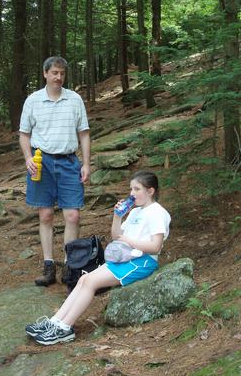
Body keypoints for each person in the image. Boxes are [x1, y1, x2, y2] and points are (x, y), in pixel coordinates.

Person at [25, 170, 171, 345]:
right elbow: (117, 236)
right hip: (124, 257)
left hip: (142, 261)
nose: (131, 193)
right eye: (131, 188)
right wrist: (117, 217)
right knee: (84, 279)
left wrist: (128, 240)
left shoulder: (157, 212)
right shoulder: (134, 212)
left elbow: (155, 246)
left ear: (150, 191)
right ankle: (55, 322)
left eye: (137, 189)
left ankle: (64, 328)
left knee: (91, 282)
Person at [19, 56, 91, 287]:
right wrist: (28, 158)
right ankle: (49, 264)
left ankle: (71, 265)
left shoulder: (75, 99)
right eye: (54, 73)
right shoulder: (33, 101)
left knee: (73, 215)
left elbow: (84, 133)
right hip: (42, 163)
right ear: (45, 74)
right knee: (46, 215)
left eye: (62, 73)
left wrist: (86, 164)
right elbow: (24, 134)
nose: (58, 77)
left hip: (69, 162)